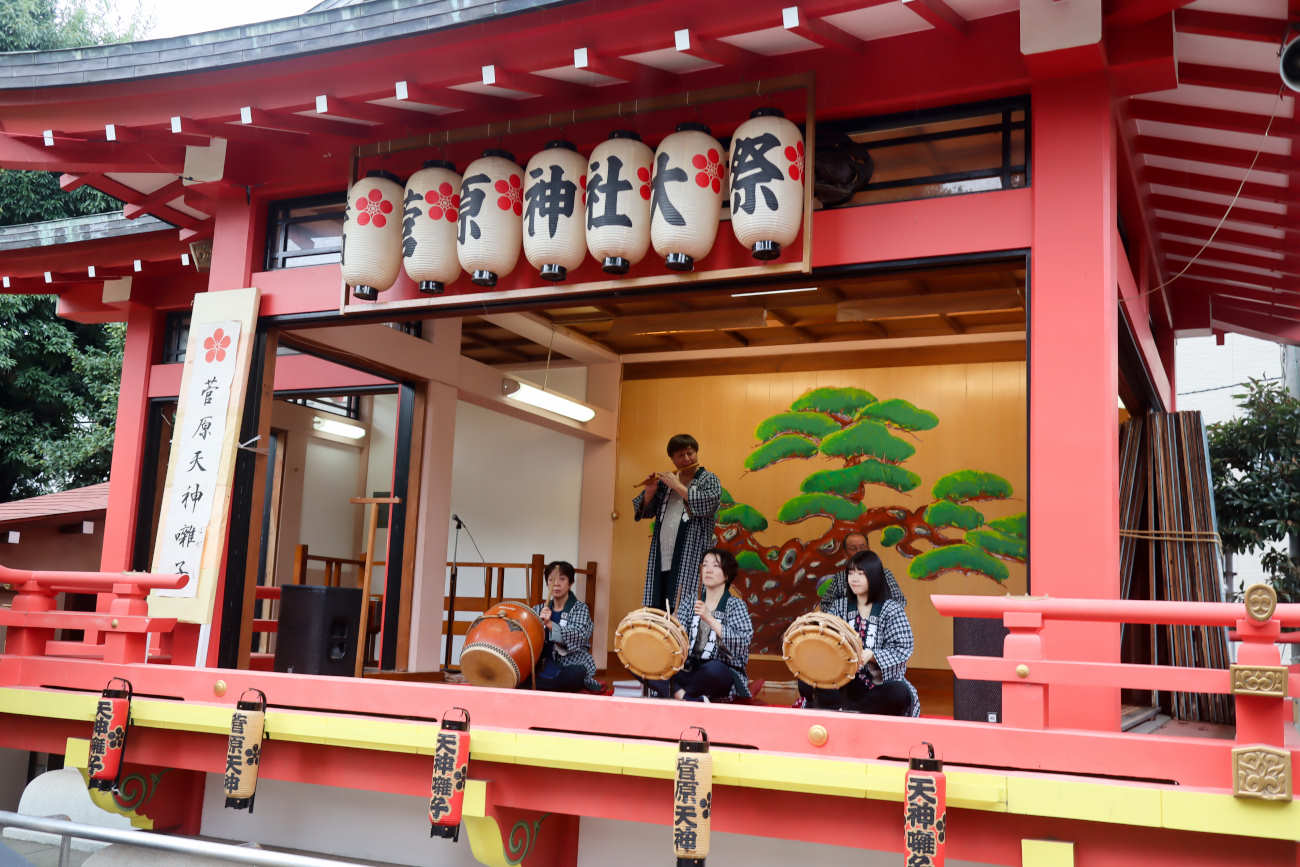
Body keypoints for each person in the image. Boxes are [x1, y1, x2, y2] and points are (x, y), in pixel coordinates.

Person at [800, 549, 919, 716]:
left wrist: (871, 655)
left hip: (876, 685)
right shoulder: (839, 606)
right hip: (843, 680)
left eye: (861, 574)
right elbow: (826, 639)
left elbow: (902, 648)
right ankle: (846, 711)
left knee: (898, 692)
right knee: (808, 679)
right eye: (851, 573)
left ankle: (851, 713)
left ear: (874, 576)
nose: (854, 579)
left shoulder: (892, 609)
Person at [644, 548, 753, 702]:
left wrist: (709, 618)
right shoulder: (690, 602)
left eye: (715, 566)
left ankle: (675, 691)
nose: (708, 570)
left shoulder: (735, 605)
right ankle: (686, 697)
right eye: (705, 565)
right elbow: (677, 642)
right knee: (646, 662)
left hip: (717, 671)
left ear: (727, 574)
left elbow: (742, 642)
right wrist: (673, 628)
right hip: (687, 668)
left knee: (715, 670)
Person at [632, 433, 722, 615]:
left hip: (691, 553)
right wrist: (650, 491)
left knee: (684, 606)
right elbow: (645, 511)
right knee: (658, 605)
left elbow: (708, 504)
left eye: (690, 453)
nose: (687, 458)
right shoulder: (665, 484)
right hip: (663, 555)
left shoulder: (708, 479)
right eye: (681, 455)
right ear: (672, 459)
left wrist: (677, 486)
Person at [529, 560, 603, 693]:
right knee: (520, 671)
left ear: (570, 583)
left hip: (570, 663)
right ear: (547, 583)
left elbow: (579, 635)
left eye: (562, 579)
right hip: (543, 663)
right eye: (551, 580)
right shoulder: (539, 608)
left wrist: (550, 624)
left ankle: (540, 686)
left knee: (574, 675)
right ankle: (541, 684)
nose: (556, 584)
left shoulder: (580, 608)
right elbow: (526, 634)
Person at [820, 531, 906, 607]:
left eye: (862, 547)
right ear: (845, 554)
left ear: (869, 549)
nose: (859, 551)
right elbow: (825, 605)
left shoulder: (885, 574)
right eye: (853, 548)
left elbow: (900, 601)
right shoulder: (839, 578)